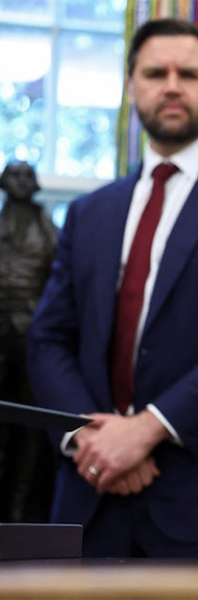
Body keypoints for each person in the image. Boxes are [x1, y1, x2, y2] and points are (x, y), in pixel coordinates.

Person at [27, 18, 198, 558]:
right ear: (131, 85)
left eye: (189, 74)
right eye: (156, 73)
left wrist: (146, 430)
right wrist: (91, 438)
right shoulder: (89, 212)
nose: (172, 86)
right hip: (90, 495)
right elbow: (48, 339)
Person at [0, 162, 58, 523]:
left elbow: (63, 280)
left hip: (33, 337)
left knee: (31, 426)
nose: (20, 181)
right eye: (14, 174)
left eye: (27, 175)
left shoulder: (49, 228)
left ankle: (22, 510)